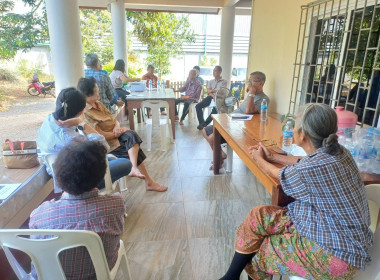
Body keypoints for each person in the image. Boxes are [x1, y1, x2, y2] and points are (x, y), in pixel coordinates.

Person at [220, 103, 373, 280]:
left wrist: (259, 158)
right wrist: (273, 156)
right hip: (336, 229)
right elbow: (304, 161)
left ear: (302, 134)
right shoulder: (339, 151)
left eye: (294, 126)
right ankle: (229, 277)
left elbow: (280, 173)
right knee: (258, 215)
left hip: (338, 256)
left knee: (257, 255)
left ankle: (231, 276)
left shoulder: (311, 169)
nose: (291, 129)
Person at [29, 137, 125, 279]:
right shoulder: (116, 204)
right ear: (102, 173)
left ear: (58, 173)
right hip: (99, 274)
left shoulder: (39, 214)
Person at [79, 77, 167, 192]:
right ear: (87, 94)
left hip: (116, 135)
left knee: (131, 135)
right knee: (133, 145)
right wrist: (117, 133)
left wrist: (117, 128)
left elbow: (113, 119)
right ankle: (148, 181)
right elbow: (99, 136)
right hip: (107, 144)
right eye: (96, 90)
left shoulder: (99, 104)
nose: (99, 92)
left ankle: (137, 171)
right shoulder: (85, 112)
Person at [38, 87, 132, 192]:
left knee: (111, 159)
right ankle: (95, 196)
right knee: (126, 163)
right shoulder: (70, 138)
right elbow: (103, 146)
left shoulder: (49, 119)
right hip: (80, 181)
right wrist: (82, 123)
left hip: (62, 173)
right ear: (81, 111)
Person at [202, 71, 270, 168]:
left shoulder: (264, 99)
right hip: (231, 120)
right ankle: (220, 154)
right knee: (204, 130)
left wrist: (251, 93)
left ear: (261, 83)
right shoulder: (252, 95)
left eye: (252, 81)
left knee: (213, 137)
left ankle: (218, 160)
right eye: (249, 81)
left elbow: (248, 111)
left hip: (239, 127)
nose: (249, 84)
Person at [196, 66, 227, 130]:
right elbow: (208, 91)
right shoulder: (211, 81)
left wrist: (212, 91)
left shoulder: (224, 81)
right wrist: (213, 95)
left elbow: (221, 92)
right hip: (211, 97)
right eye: (213, 71)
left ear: (220, 72)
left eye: (215, 71)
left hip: (219, 98)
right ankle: (202, 123)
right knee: (198, 106)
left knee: (215, 110)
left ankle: (205, 123)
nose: (213, 72)